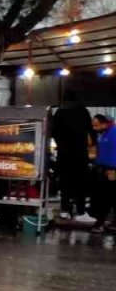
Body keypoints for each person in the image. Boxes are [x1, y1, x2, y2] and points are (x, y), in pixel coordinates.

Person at [50, 91, 94, 222]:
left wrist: (60, 144)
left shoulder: (59, 112)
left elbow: (53, 132)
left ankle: (65, 210)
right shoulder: (82, 110)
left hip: (64, 154)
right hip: (79, 153)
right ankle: (80, 212)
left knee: (65, 182)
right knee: (80, 182)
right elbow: (90, 129)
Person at [91, 115, 116, 233]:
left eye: (96, 125)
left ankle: (100, 223)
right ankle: (103, 222)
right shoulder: (103, 134)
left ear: (104, 123)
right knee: (103, 197)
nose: (94, 128)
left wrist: (113, 169)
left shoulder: (113, 133)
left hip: (111, 170)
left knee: (108, 197)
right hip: (102, 168)